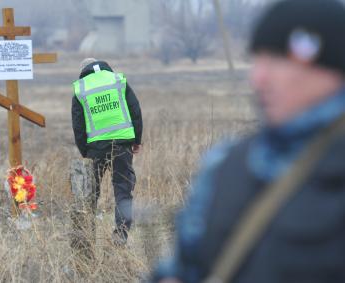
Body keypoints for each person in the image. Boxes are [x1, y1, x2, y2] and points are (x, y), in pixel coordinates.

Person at [153, 0, 345, 282]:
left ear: (331, 70)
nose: (258, 78)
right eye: (257, 60)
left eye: (278, 61)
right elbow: (186, 267)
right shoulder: (227, 166)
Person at [71, 58, 143, 246]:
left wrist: (84, 151)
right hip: (122, 144)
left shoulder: (81, 89)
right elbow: (135, 110)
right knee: (123, 190)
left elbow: (78, 125)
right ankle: (120, 235)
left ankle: (86, 237)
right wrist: (136, 140)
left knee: (90, 193)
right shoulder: (118, 80)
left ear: (83, 70)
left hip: (96, 148)